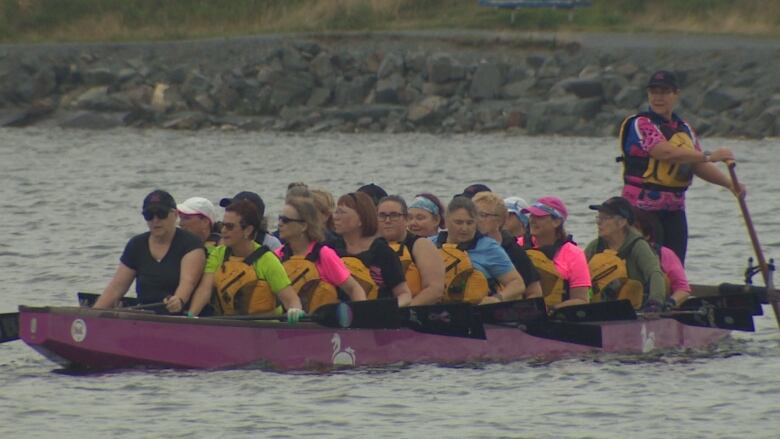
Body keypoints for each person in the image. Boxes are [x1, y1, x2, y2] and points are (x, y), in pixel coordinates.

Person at [618, 70, 745, 264]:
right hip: (642, 209)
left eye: (665, 92)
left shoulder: (684, 128)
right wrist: (710, 156)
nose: (658, 97)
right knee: (649, 266)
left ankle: (674, 294)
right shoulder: (641, 123)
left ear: (676, 94)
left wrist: (730, 185)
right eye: (654, 92)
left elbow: (696, 164)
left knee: (675, 265)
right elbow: (663, 152)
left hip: (675, 209)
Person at [188, 200, 304, 322]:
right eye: (223, 225)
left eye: (230, 226)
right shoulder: (218, 254)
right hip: (229, 327)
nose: (223, 231)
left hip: (265, 331)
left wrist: (294, 310)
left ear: (248, 230)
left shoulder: (267, 260)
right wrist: (191, 316)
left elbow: (291, 300)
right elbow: (204, 290)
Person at [93, 190, 206, 313]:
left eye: (161, 214)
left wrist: (179, 299)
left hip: (179, 315)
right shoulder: (136, 245)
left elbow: (188, 282)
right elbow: (116, 288)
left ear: (174, 214)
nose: (155, 220)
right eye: (149, 215)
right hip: (144, 314)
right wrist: (92, 316)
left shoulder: (191, 243)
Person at [275, 196, 366, 312]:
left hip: (321, 326)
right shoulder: (277, 255)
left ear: (304, 226)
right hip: (287, 324)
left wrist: (361, 314)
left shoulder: (324, 255)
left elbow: (353, 288)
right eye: (279, 219)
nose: (279, 224)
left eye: (286, 220)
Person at [432, 196, 526, 305]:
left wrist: (497, 298)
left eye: (470, 223)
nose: (464, 228)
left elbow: (517, 283)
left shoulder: (489, 248)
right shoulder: (429, 245)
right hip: (438, 311)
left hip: (478, 311)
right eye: (458, 222)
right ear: (446, 221)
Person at [584, 197, 668, 310]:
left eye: (605, 218)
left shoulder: (638, 246)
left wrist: (655, 302)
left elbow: (655, 273)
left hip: (632, 307)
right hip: (599, 304)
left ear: (622, 222)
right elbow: (579, 274)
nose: (599, 222)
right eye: (599, 217)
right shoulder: (595, 246)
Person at [331, 192, 413, 307]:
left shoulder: (383, 253)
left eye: (341, 212)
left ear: (361, 219)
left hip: (374, 316)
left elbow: (404, 293)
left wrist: (387, 309)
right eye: (336, 212)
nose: (335, 217)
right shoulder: (330, 249)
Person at [522, 196, 590, 309]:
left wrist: (551, 310)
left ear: (557, 222)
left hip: (555, 316)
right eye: (531, 215)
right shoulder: (518, 245)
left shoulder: (573, 254)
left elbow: (581, 299)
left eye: (539, 216)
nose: (532, 220)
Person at [377, 195, 445, 305]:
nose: (387, 220)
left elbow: (434, 289)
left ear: (406, 219)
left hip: (412, 311)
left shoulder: (420, 245)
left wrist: (405, 310)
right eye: (382, 216)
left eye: (394, 215)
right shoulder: (372, 246)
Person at [472, 191, 542, 298]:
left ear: (499, 220)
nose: (476, 220)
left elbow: (534, 291)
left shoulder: (512, 249)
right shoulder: (467, 245)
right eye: (473, 214)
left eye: (483, 215)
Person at [631, 206, 691, 307]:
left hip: (655, 308)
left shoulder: (665, 254)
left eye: (634, 232)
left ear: (646, 236)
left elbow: (683, 289)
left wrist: (670, 303)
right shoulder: (605, 251)